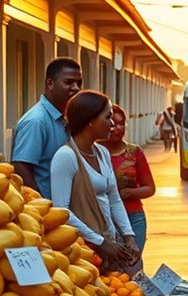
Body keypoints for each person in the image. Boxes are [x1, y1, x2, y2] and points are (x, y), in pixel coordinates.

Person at [50, 90, 140, 274]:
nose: (112, 124)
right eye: (108, 117)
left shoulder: (102, 153)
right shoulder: (65, 157)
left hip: (109, 240)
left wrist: (129, 236)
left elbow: (114, 199)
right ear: (90, 120)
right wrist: (100, 242)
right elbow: (62, 211)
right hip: (82, 250)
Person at [12, 57, 83, 199]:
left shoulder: (65, 117)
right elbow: (21, 166)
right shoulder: (36, 121)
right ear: (50, 83)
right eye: (68, 82)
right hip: (47, 207)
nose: (76, 88)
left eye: (79, 83)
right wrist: (39, 203)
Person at [98, 104, 156, 256]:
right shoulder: (92, 152)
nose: (117, 128)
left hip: (133, 217)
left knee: (132, 262)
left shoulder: (134, 153)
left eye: (121, 123)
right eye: (112, 124)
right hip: (100, 219)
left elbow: (150, 188)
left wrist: (130, 192)